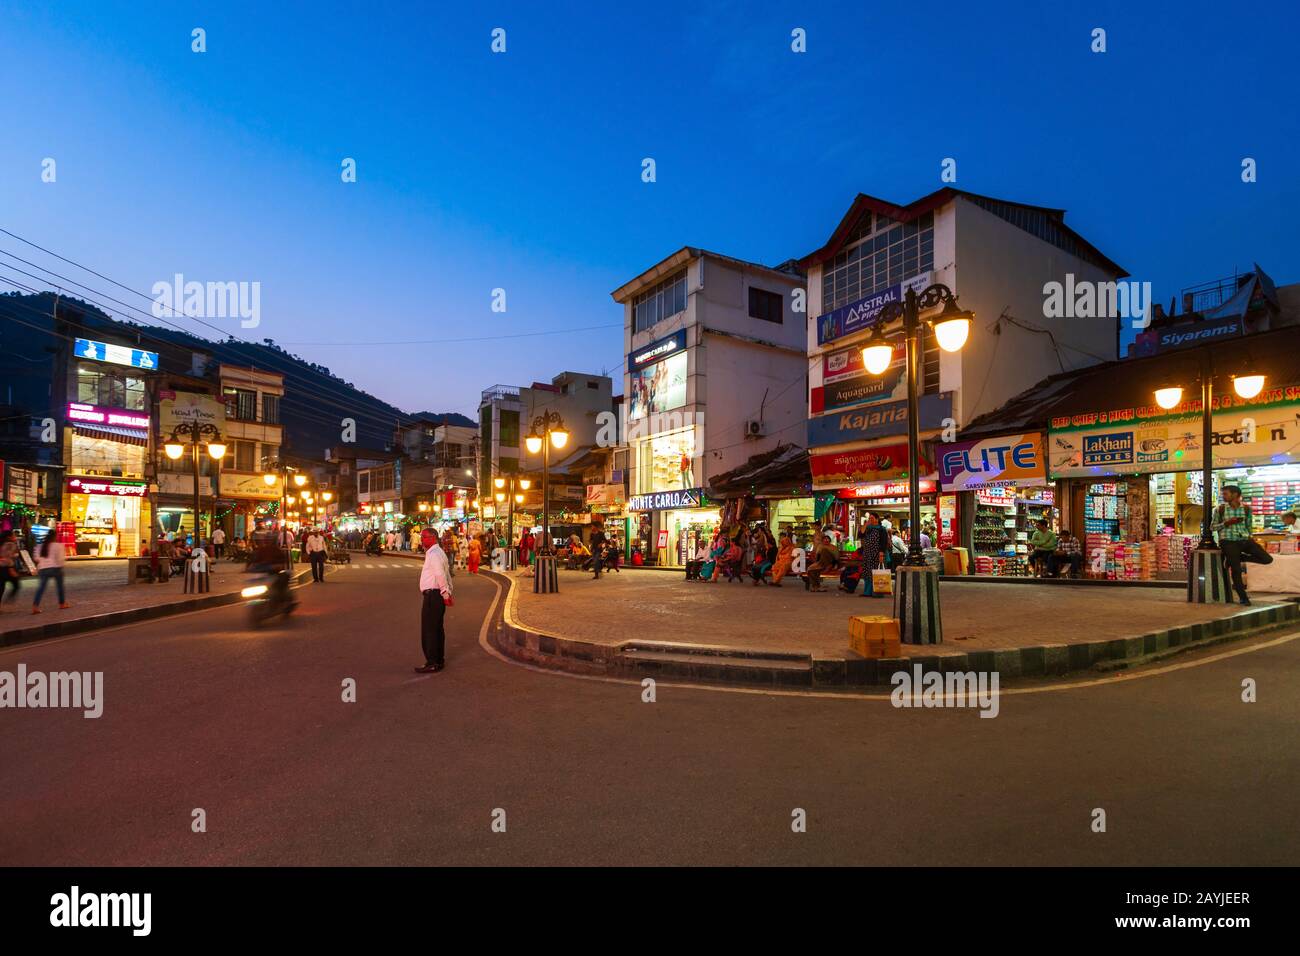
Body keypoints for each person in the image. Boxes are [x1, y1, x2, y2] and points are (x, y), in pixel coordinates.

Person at [1213, 484, 1273, 605]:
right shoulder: (1219, 509)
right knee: (1236, 570)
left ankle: (1238, 557)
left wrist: (1250, 538)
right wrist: (1227, 523)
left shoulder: (1246, 509)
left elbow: (1248, 526)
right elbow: (1212, 527)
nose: (1223, 496)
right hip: (1228, 541)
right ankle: (1243, 597)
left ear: (1235, 495)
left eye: (1225, 494)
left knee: (1267, 559)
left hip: (1245, 540)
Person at [415, 528, 453, 674]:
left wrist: (445, 592)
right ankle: (438, 660)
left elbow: (440, 574)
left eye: (424, 537)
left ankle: (432, 662)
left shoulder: (434, 554)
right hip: (437, 595)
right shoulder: (438, 552)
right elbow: (446, 573)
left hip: (433, 596)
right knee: (437, 629)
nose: (422, 540)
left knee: (430, 630)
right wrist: (448, 591)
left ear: (432, 538)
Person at [30, 533, 70, 613]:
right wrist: (61, 566)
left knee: (41, 588)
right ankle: (62, 604)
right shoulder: (58, 545)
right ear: (54, 537)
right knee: (60, 586)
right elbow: (61, 558)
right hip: (55, 568)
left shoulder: (39, 546)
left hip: (43, 568)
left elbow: (36, 558)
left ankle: (35, 606)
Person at [854, 514, 888, 598]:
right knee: (867, 572)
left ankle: (876, 591)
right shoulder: (868, 528)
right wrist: (865, 524)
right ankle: (867, 592)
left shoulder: (881, 529)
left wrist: (881, 553)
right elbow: (860, 535)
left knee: (875, 572)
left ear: (877, 519)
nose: (870, 519)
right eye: (869, 518)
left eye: (872, 518)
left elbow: (884, 542)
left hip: (876, 553)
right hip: (867, 553)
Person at [0, 530, 23, 608]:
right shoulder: (10, 544)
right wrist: (11, 568)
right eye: (13, 535)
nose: (15, 537)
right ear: (9, 537)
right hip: (6, 567)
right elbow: (8, 557)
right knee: (16, 585)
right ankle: (8, 600)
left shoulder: (3, 543)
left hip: (2, 567)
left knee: (1, 587)